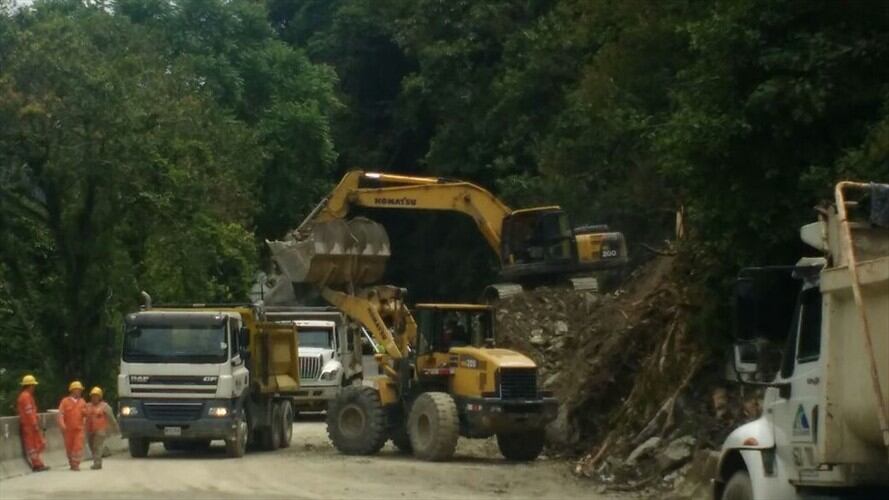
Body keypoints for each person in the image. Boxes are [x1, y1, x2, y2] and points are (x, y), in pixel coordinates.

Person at [16, 375, 49, 472]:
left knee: (35, 445)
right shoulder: (25, 397)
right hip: (29, 425)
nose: (34, 388)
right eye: (33, 385)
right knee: (33, 446)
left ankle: (38, 463)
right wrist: (34, 423)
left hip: (29, 424)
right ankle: (37, 465)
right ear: (29, 386)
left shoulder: (26, 396)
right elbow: (29, 411)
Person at [85, 386, 118, 470]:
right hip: (90, 430)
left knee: (97, 446)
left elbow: (111, 418)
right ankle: (99, 458)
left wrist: (115, 428)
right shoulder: (87, 406)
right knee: (92, 446)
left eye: (96, 396)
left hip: (100, 430)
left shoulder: (105, 406)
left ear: (100, 397)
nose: (94, 398)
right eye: (92, 396)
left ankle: (97, 463)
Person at [58, 381, 87, 471]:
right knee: (69, 447)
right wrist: (62, 425)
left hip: (79, 429)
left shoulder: (82, 402)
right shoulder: (65, 402)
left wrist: (85, 417)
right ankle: (71, 462)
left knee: (78, 446)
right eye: (78, 390)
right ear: (72, 390)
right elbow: (61, 414)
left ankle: (76, 464)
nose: (79, 392)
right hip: (68, 429)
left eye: (80, 390)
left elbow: (86, 414)